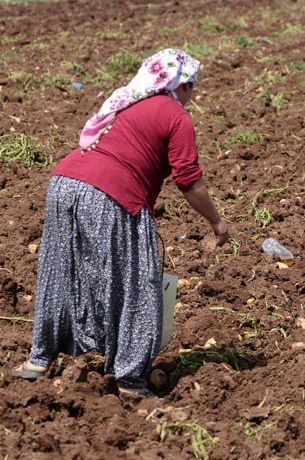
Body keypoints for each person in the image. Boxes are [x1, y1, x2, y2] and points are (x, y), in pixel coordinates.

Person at [12, 48, 230, 397]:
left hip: (65, 183)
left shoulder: (127, 101)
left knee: (61, 274)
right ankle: (129, 378)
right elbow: (189, 180)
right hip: (114, 194)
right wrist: (217, 223)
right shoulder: (176, 116)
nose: (195, 96)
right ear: (181, 84)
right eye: (194, 87)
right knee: (137, 285)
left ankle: (39, 360)